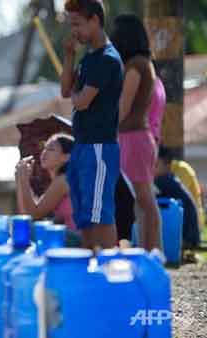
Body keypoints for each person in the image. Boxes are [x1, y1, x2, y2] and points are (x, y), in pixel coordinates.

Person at [61, 0, 123, 250]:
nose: (74, 31)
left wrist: (76, 98)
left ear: (95, 20)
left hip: (99, 148)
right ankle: (90, 265)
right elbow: (66, 91)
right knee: (84, 215)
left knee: (100, 215)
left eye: (78, 24)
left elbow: (82, 101)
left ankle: (114, 269)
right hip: (82, 146)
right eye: (71, 24)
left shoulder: (107, 59)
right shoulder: (88, 58)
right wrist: (68, 55)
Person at [110, 14, 162, 251]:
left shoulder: (135, 66)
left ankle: (153, 252)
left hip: (133, 138)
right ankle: (151, 250)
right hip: (137, 138)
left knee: (143, 200)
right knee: (143, 201)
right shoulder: (144, 63)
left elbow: (123, 107)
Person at [16, 134, 75, 231]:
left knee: (23, 232)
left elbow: (34, 215)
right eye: (44, 148)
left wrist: (24, 180)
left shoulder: (63, 180)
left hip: (77, 240)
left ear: (66, 157)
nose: (44, 152)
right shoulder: (60, 180)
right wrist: (20, 179)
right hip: (70, 236)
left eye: (51, 149)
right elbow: (25, 214)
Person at [155, 147, 201, 249]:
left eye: (155, 165)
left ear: (168, 166)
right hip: (191, 234)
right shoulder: (171, 179)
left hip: (185, 236)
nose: (151, 169)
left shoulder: (163, 181)